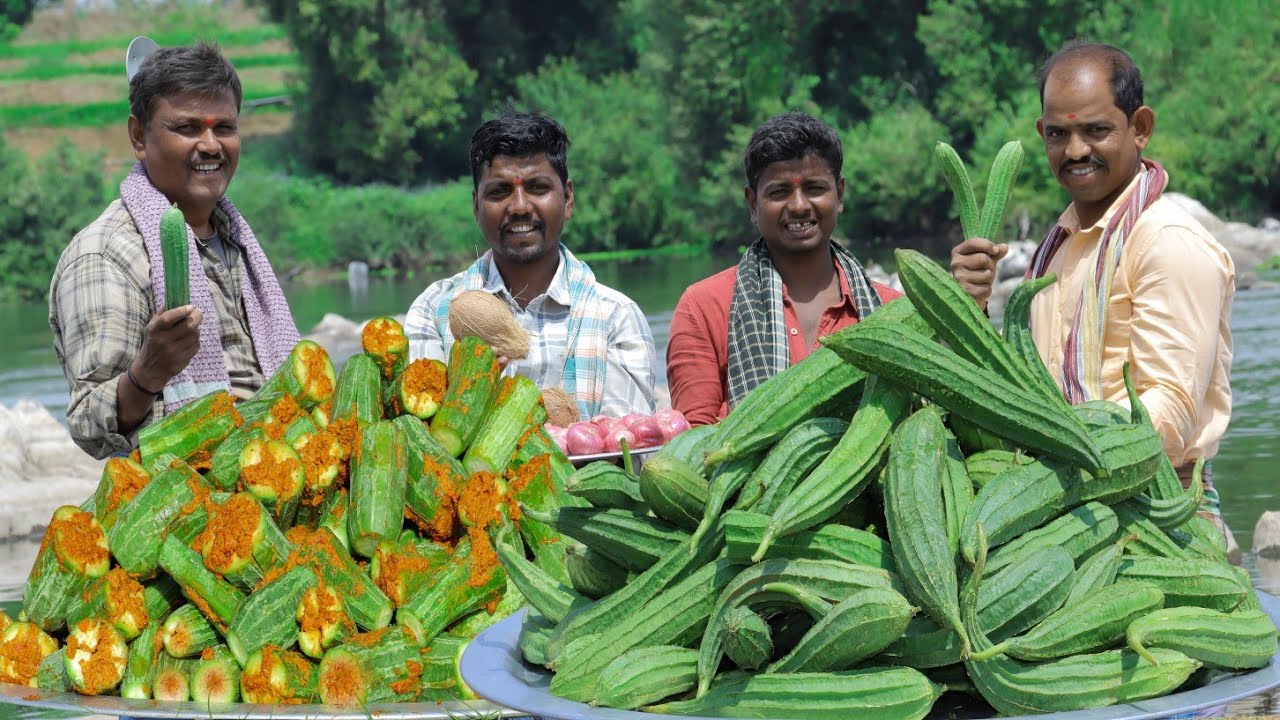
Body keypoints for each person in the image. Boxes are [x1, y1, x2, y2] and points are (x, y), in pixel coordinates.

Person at [950, 40, 1234, 526]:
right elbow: (1026, 385)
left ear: (1140, 127)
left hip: (1160, 511)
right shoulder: (1056, 249)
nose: (1075, 150)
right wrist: (968, 308)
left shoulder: (1167, 242)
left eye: (1096, 131)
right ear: (1042, 134)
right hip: (1069, 504)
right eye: (1058, 134)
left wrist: (1060, 460)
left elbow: (1169, 410)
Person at [48, 41, 300, 459]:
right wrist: (147, 373)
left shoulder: (234, 238)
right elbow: (89, 424)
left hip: (272, 483)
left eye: (224, 127)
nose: (211, 144)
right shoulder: (105, 254)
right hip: (186, 507)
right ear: (138, 137)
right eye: (187, 128)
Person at [405, 111, 657, 418]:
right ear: (476, 206)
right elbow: (420, 435)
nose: (520, 207)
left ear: (567, 198)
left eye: (538, 188)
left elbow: (627, 444)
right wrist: (464, 393)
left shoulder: (617, 318)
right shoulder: (433, 310)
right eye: (500, 191)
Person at [667, 111, 901, 426]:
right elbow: (691, 442)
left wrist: (972, 302)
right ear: (752, 203)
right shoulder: (704, 308)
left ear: (840, 194)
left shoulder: (889, 312)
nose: (800, 205)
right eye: (779, 192)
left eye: (815, 188)